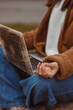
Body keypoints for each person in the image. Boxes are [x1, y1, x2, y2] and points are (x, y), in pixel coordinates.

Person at [0, 0, 73, 110]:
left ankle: (14, 99)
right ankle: (16, 105)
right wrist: (8, 39)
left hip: (66, 68)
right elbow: (42, 33)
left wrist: (59, 63)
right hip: (47, 61)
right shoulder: (56, 2)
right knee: (2, 51)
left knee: (37, 84)